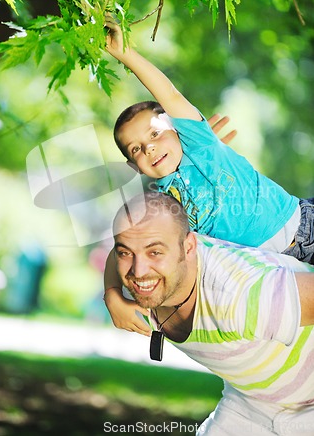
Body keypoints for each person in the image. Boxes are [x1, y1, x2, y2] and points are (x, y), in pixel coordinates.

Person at [103, 17, 314, 335]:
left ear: (177, 129)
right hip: (271, 268)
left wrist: (125, 53)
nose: (148, 149)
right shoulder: (162, 204)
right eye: (136, 149)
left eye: (156, 134)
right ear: (134, 166)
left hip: (303, 224)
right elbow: (126, 246)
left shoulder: (202, 146)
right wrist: (112, 295)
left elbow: (170, 95)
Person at [112, 191, 314, 435]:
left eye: (154, 252)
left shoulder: (241, 295)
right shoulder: (142, 277)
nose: (138, 270)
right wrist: (111, 292)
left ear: (188, 246)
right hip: (254, 402)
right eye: (125, 253)